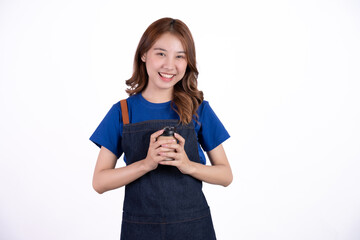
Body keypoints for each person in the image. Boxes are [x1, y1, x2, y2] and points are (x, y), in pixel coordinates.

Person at [90, 17, 233, 240]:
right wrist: (147, 164)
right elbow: (99, 182)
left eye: (180, 56)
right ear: (144, 54)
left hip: (194, 229)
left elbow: (225, 175)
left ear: (188, 62)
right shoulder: (122, 112)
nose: (169, 65)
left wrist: (187, 166)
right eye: (161, 53)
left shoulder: (199, 110)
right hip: (140, 230)